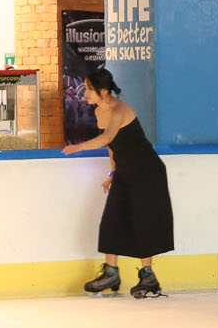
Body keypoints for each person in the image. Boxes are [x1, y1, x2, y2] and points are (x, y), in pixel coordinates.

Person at [60, 67, 173, 299]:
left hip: (147, 171)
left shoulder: (119, 109)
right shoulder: (99, 111)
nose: (85, 93)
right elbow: (112, 146)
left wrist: (77, 147)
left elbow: (107, 137)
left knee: (143, 221)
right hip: (124, 172)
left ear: (103, 91)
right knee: (112, 220)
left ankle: (148, 276)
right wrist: (113, 172)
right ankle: (111, 273)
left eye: (89, 89)